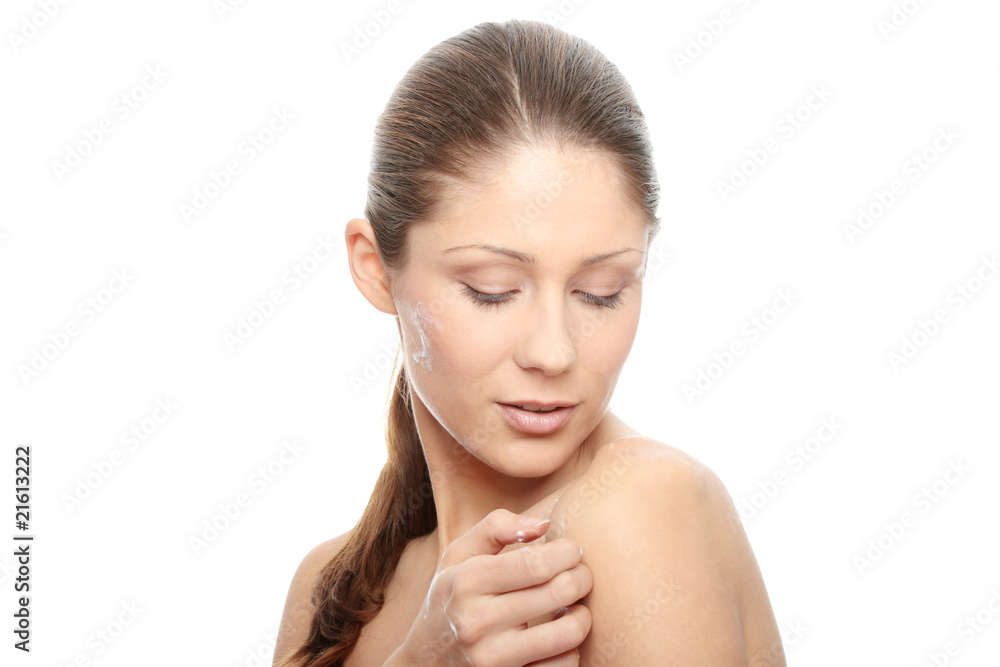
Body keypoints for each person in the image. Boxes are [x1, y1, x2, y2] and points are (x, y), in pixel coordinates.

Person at [274, 18, 784, 666]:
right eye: (492, 290)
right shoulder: (328, 588)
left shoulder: (640, 507)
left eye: (600, 292)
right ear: (376, 268)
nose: (553, 352)